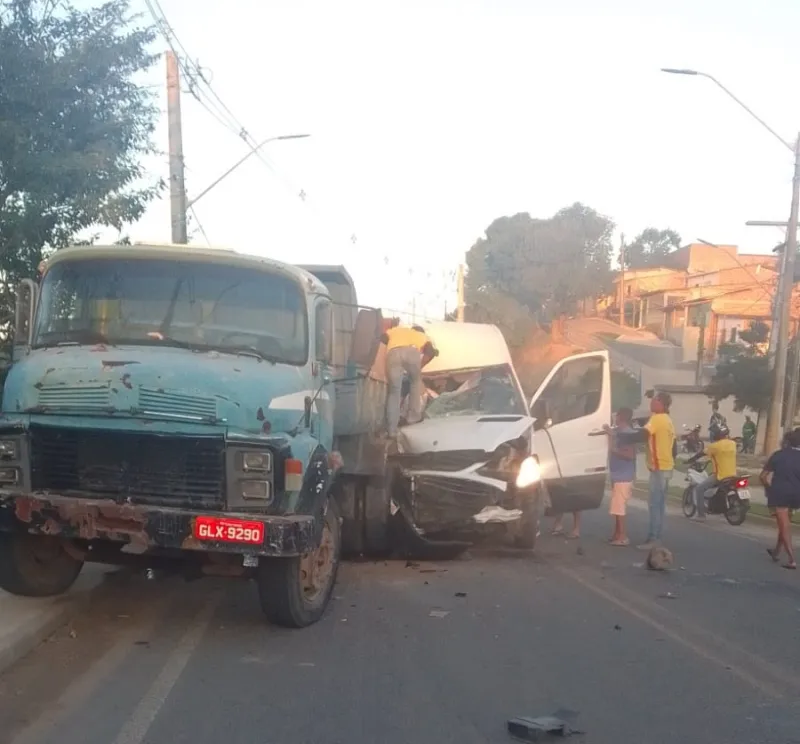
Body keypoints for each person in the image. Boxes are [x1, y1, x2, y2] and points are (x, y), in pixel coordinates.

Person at [610, 391, 676, 549]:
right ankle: (656, 537)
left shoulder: (657, 419)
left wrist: (618, 436)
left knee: (654, 505)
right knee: (659, 505)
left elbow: (641, 436)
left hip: (659, 468)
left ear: (660, 403)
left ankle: (653, 540)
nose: (651, 403)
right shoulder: (668, 420)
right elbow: (674, 447)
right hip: (667, 467)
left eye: (653, 400)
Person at [381, 323, 438, 437]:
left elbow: (382, 338)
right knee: (415, 383)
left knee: (394, 392)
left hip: (393, 354)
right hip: (411, 353)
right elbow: (432, 351)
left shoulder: (396, 330)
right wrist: (420, 367)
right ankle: (413, 418)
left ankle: (392, 430)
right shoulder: (420, 335)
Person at [760, 427, 800, 570]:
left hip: (780, 493)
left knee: (784, 525)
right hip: (797, 494)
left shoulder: (778, 455)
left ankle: (791, 559)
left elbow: (763, 476)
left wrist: (768, 489)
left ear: (786, 442)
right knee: (784, 523)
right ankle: (776, 552)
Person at [687, 423, 736, 521]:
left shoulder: (714, 446)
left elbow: (701, 453)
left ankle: (701, 515)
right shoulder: (732, 444)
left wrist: (691, 460)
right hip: (733, 474)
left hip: (719, 476)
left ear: (716, 435)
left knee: (699, 489)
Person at [606, 407, 637, 546]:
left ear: (621, 417)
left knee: (619, 508)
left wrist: (614, 451)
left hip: (623, 476)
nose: (615, 418)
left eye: (616, 415)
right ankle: (617, 534)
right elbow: (612, 433)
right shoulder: (619, 432)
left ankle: (623, 537)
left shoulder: (628, 434)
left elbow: (629, 455)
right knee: (616, 507)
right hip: (617, 474)